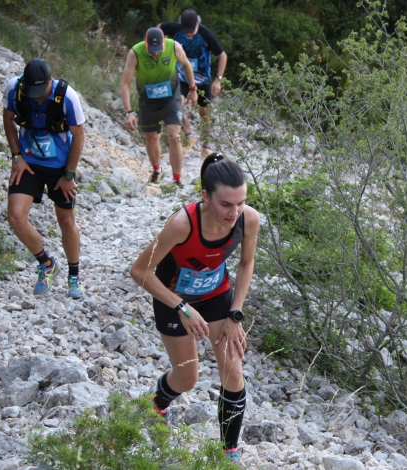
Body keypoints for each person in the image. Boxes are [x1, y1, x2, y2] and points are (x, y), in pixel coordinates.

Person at [130, 154, 259, 465]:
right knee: (187, 379)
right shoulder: (180, 224)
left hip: (217, 295)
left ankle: (228, 453)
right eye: (226, 204)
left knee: (233, 369)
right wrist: (182, 306)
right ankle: (157, 404)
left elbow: (245, 263)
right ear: (205, 196)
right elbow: (139, 271)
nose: (235, 212)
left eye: (240, 202)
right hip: (173, 299)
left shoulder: (248, 219)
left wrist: (235, 313)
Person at [2, 58, 86, 299]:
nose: (36, 98)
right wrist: (16, 155)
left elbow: (79, 136)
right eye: (32, 93)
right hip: (29, 162)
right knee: (15, 217)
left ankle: (74, 276)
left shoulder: (68, 97)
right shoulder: (14, 88)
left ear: (51, 81)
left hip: (60, 166)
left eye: (40, 92)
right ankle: (46, 263)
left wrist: (69, 175)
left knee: (66, 221)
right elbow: (7, 118)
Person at [120, 27, 198, 187]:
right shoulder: (135, 53)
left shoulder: (174, 46)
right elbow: (125, 84)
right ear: (145, 42)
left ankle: (177, 179)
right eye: (151, 50)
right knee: (151, 138)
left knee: (174, 135)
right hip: (148, 100)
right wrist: (129, 112)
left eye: (158, 50)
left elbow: (186, 65)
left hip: (171, 97)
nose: (155, 53)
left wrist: (192, 90)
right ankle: (157, 169)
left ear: (164, 42)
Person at [159, 8, 227, 158]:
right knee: (175, 106)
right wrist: (159, 46)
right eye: (185, 30)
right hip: (182, 77)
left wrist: (218, 80)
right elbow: (158, 28)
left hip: (202, 80)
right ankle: (189, 136)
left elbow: (222, 56)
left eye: (191, 30)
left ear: (198, 24)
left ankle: (206, 146)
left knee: (204, 113)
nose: (188, 33)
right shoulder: (176, 29)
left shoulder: (206, 34)